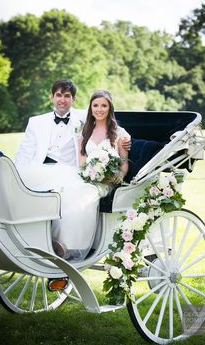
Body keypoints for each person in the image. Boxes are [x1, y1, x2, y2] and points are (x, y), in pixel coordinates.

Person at [14, 80, 130, 290]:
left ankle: (65, 249)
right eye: (58, 95)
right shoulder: (44, 123)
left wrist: (115, 173)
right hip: (51, 172)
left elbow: (122, 163)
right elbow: (25, 154)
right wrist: (16, 175)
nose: (62, 99)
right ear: (52, 97)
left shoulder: (91, 123)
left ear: (74, 100)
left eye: (67, 96)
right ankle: (21, 242)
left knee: (73, 195)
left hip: (75, 175)